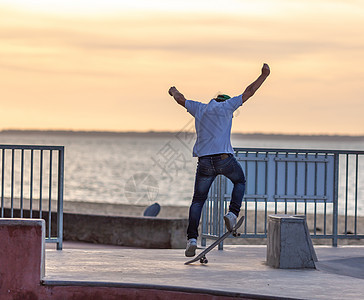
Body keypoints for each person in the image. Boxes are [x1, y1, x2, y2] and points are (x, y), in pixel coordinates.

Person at [168, 63, 270, 257]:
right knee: (239, 180)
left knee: (198, 201)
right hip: (224, 159)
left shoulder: (200, 108)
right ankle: (232, 213)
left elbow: (180, 99)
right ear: (225, 101)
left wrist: (173, 91)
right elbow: (249, 91)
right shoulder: (228, 106)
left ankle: (191, 239)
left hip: (204, 163)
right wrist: (264, 75)